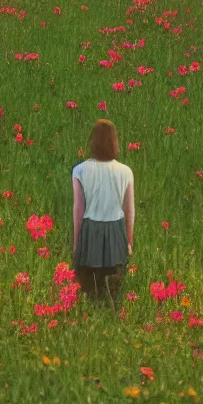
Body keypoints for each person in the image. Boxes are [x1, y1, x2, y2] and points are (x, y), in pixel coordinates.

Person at [72, 119, 134, 308]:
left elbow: (79, 209)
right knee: (114, 282)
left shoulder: (80, 170)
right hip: (116, 230)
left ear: (93, 142)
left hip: (91, 230)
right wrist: (129, 242)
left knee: (90, 287)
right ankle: (113, 309)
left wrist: (76, 242)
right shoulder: (125, 171)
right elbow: (129, 210)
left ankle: (93, 310)